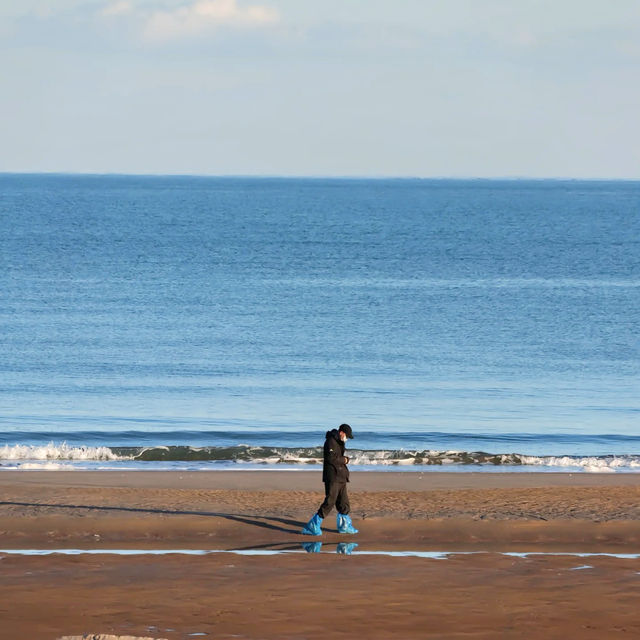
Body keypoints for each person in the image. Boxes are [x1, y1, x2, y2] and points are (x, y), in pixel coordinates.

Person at [301, 423, 358, 535]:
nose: (347, 439)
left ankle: (344, 526)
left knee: (344, 502)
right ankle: (313, 525)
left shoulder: (339, 442)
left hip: (341, 476)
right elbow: (331, 458)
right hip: (332, 477)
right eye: (347, 436)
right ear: (342, 432)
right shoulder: (330, 441)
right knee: (330, 502)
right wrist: (345, 460)